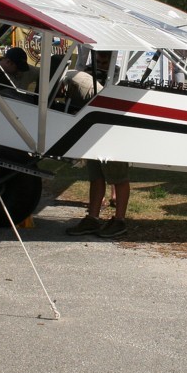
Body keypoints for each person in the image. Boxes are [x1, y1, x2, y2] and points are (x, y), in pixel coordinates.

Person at [64, 52, 130, 238]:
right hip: (93, 130)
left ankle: (119, 220)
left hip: (112, 131)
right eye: (98, 60)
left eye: (104, 61)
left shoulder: (118, 75)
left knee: (118, 177)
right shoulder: (86, 72)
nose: (100, 64)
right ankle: (92, 218)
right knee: (96, 176)